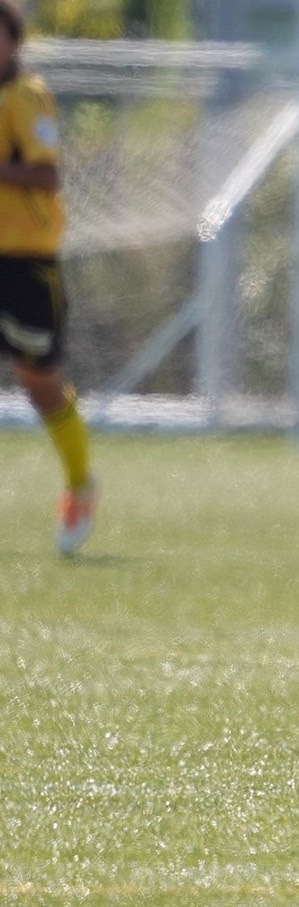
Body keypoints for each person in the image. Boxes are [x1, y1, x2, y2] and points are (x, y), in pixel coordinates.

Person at [0, 0, 95, 555]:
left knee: (41, 385)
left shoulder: (27, 95)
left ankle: (81, 485)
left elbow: (46, 175)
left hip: (27, 264)